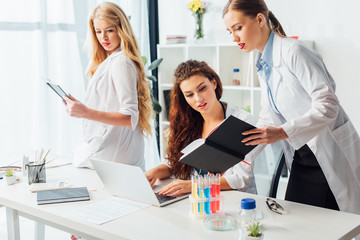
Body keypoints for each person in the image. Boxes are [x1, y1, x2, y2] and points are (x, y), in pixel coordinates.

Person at [223, 0, 360, 214]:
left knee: (334, 226)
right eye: (229, 32)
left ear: (259, 19)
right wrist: (240, 150)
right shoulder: (262, 63)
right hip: (302, 155)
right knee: (299, 222)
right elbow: (269, 116)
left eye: (238, 28)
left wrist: (282, 132)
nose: (234, 38)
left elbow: (328, 104)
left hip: (328, 151)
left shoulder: (294, 52)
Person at [145, 60, 260, 197]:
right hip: (198, 200)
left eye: (202, 88)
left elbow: (241, 180)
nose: (198, 99)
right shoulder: (186, 123)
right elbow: (172, 163)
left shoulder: (241, 120)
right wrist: (155, 172)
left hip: (233, 200)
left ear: (214, 83)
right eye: (189, 95)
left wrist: (193, 185)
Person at [64, 2, 152, 171]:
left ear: (121, 29)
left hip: (117, 154)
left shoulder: (121, 62)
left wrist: (86, 112)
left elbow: (129, 116)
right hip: (117, 149)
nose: (103, 37)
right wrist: (83, 108)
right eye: (98, 31)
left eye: (110, 30)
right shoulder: (112, 60)